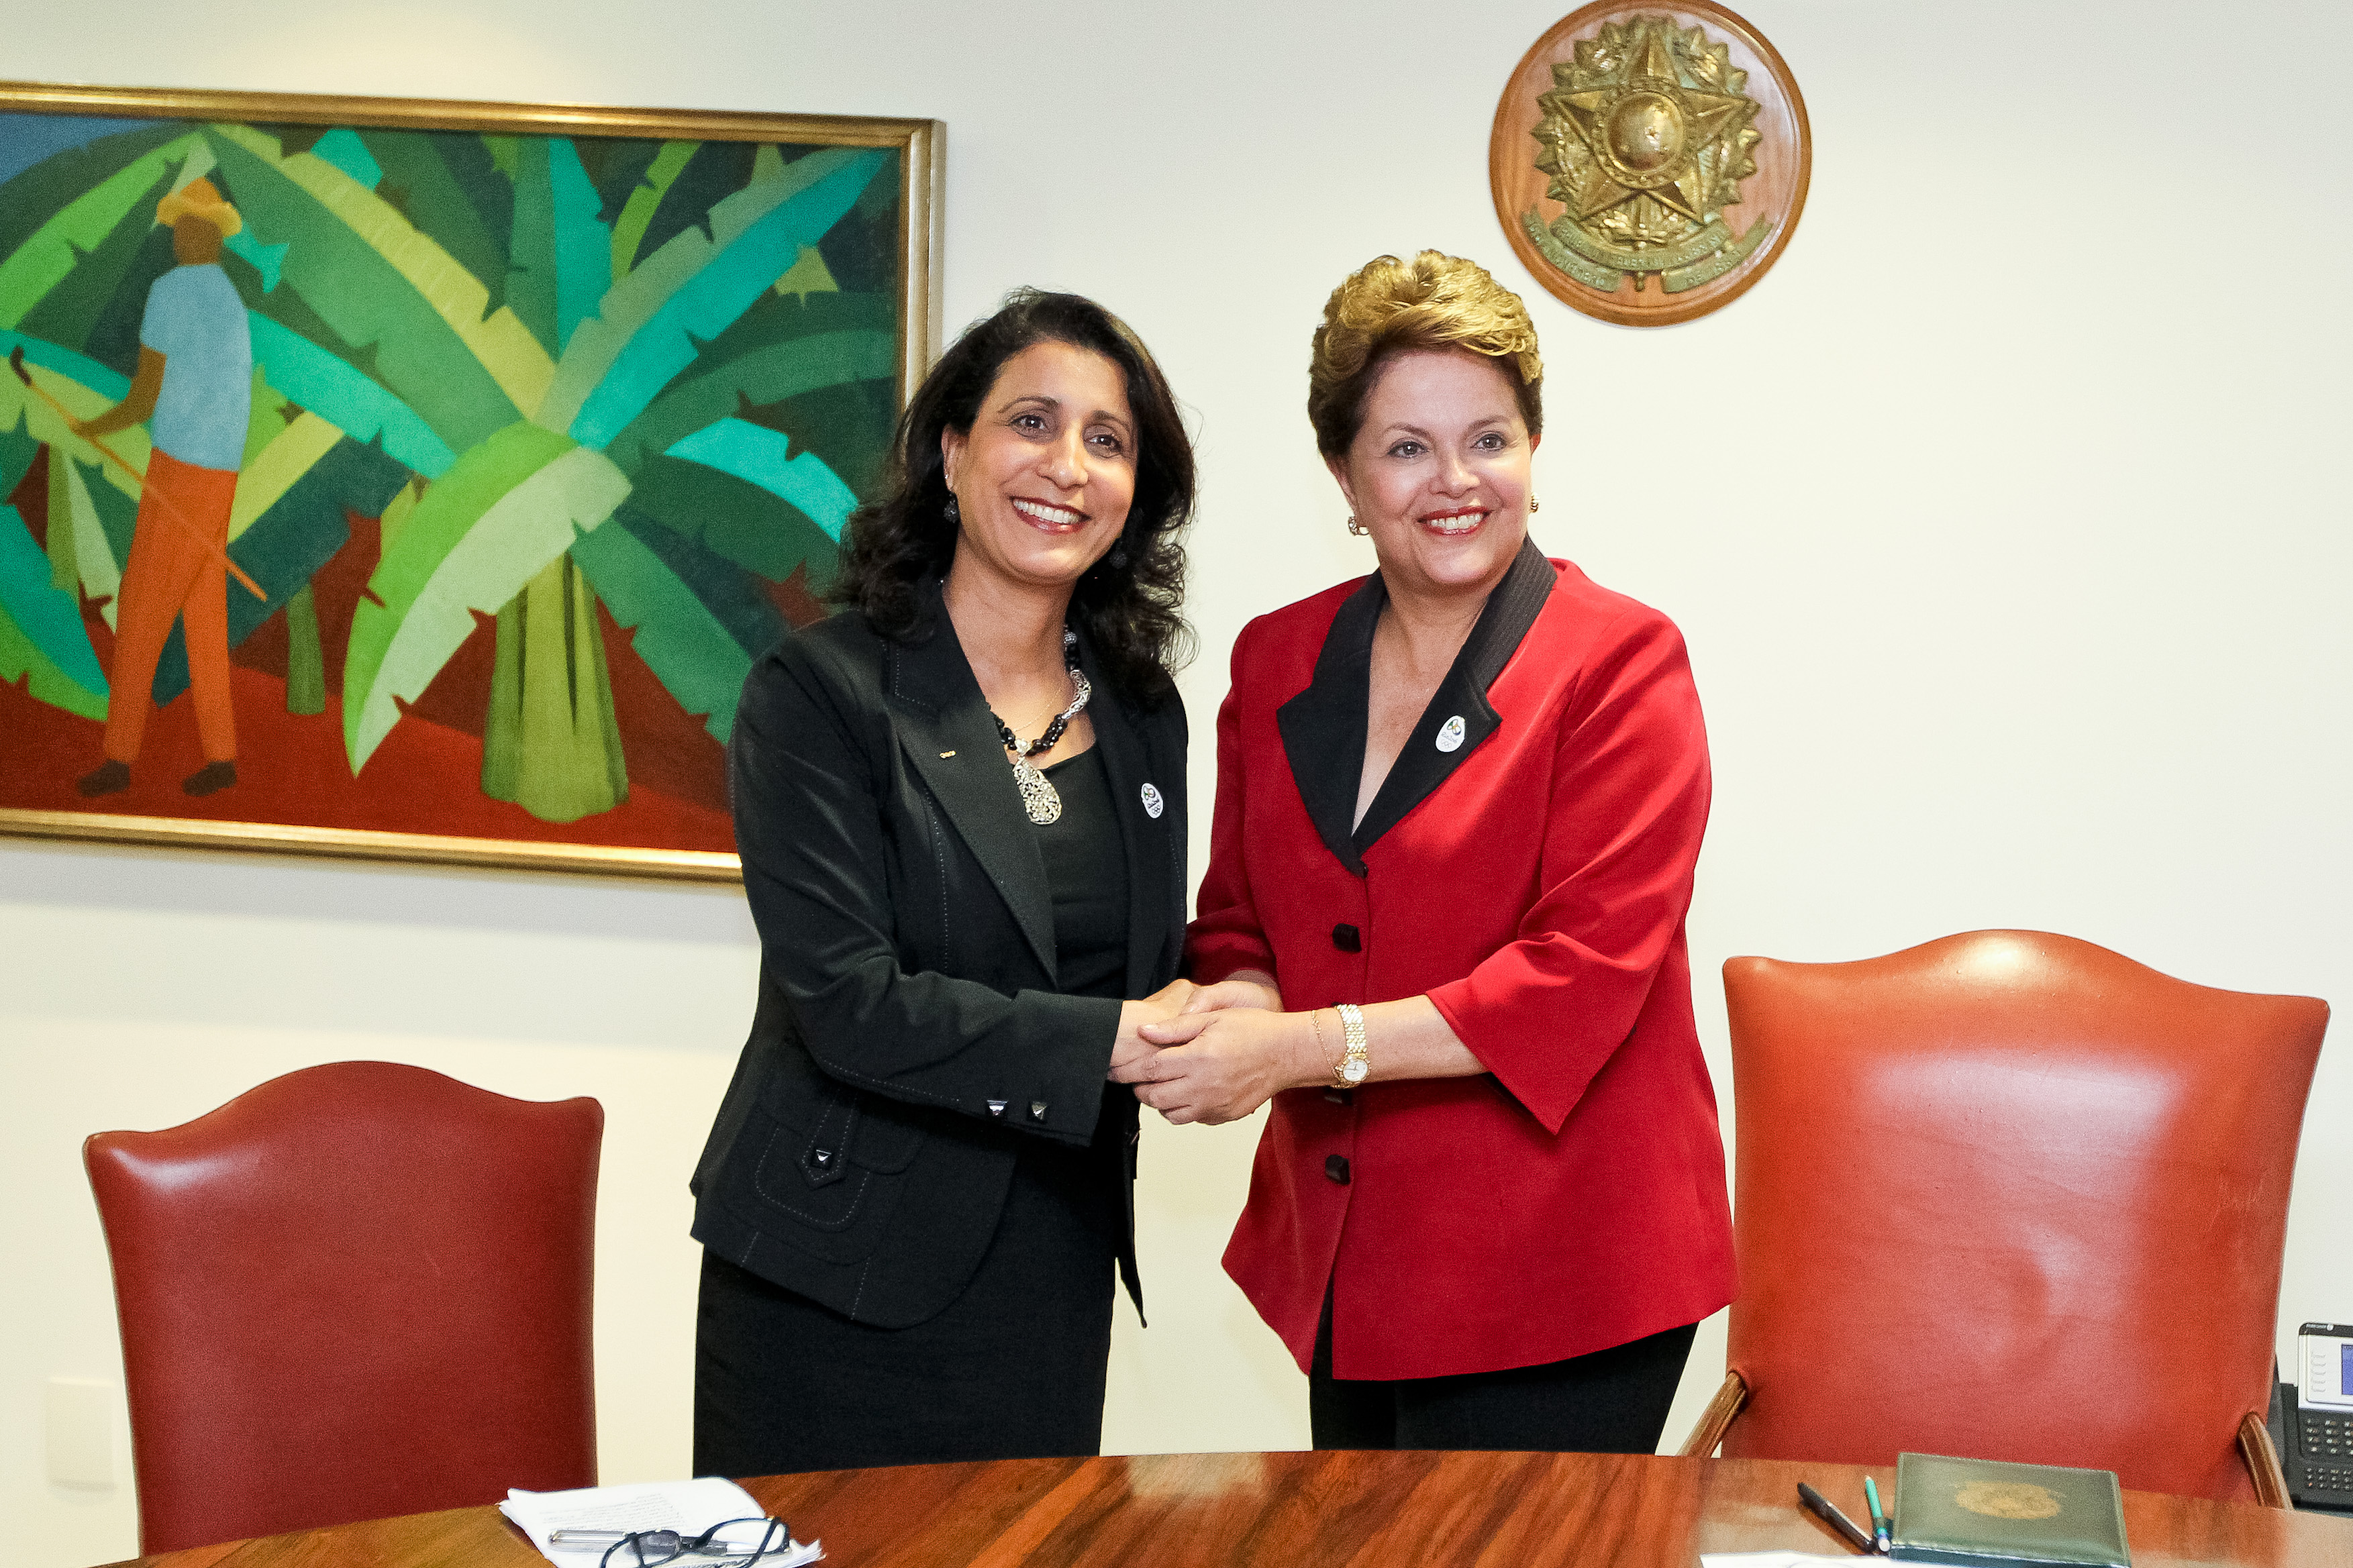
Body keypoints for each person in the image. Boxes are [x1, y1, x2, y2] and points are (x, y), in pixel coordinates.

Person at [1116, 252, 1734, 1453]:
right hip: (1347, 1263)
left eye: (1489, 440)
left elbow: (1575, 983)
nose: (1455, 482)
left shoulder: (1623, 662)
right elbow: (1242, 920)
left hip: (1564, 1278)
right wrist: (1226, 1019)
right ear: (1344, 477)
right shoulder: (1277, 659)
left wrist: (1289, 1050)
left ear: (1533, 455)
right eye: (1406, 448)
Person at [690, 289, 1198, 1476]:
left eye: (1107, 441)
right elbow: (847, 1001)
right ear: (953, 451)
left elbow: (1143, 958)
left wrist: (1256, 1012)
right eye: (1032, 422)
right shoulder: (822, 692)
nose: (1066, 466)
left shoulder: (1138, 711)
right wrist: (1121, 1042)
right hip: (834, 1269)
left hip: (1051, 1269)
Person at [73, 176, 252, 800]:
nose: (177, 236)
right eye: (178, 225)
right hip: (220, 476)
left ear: (201, 234)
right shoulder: (231, 301)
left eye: (184, 226)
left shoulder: (170, 291)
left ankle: (119, 758)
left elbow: (144, 396)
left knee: (143, 609)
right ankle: (222, 755)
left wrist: (91, 424)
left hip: (179, 469)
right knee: (203, 616)